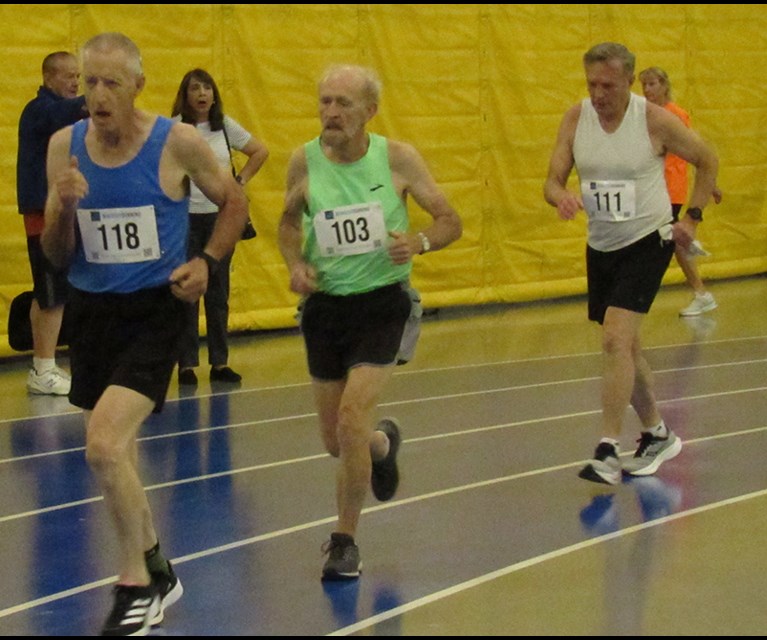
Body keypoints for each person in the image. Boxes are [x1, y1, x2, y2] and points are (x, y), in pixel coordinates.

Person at [41, 32, 248, 635]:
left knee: (103, 445)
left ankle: (134, 583)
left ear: (138, 85)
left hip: (157, 312)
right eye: (89, 83)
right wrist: (62, 207)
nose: (98, 95)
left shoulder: (176, 142)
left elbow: (233, 202)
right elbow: (56, 255)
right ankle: (158, 566)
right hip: (93, 310)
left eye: (111, 83)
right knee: (118, 458)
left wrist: (207, 262)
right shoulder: (64, 149)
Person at [278, 63, 462, 580]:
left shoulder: (397, 159)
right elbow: (288, 224)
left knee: (351, 418)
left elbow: (451, 221)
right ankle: (382, 446)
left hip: (383, 303)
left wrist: (419, 242)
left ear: (369, 112)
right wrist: (296, 264)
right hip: (326, 309)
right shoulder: (304, 162)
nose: (331, 113)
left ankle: (344, 541)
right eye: (324, 102)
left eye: (343, 104)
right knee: (339, 440)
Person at [543, 42, 719, 485]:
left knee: (616, 340)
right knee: (628, 348)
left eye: (608, 85)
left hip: (649, 239)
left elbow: (707, 159)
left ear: (628, 81)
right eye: (591, 84)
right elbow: (551, 180)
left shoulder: (653, 120)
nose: (598, 94)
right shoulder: (576, 118)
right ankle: (657, 432)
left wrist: (692, 218)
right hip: (602, 245)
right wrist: (561, 196)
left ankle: (607, 448)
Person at [171, 68, 269, 386]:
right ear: (185, 96)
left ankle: (219, 361)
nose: (202, 94)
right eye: (195, 89)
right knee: (186, 291)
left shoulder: (224, 127)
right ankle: (186, 364)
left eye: (207, 88)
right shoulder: (174, 129)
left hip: (218, 218)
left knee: (217, 291)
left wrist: (238, 183)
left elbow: (260, 151)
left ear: (214, 95)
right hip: (185, 217)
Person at [16, 51, 88, 395]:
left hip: (64, 211)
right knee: (51, 293)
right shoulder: (40, 110)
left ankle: (44, 364)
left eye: (79, 75)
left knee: (55, 291)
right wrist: (104, 89)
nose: (76, 82)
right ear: (48, 78)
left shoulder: (65, 117)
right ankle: (43, 368)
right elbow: (66, 111)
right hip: (42, 214)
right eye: (69, 76)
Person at [639, 66, 719, 317]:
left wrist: (711, 183)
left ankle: (700, 291)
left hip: (671, 187)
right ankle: (700, 289)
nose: (647, 90)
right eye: (644, 85)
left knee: (666, 240)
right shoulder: (646, 114)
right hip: (653, 187)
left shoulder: (675, 115)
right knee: (670, 241)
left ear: (664, 85)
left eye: (652, 84)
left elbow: (695, 148)